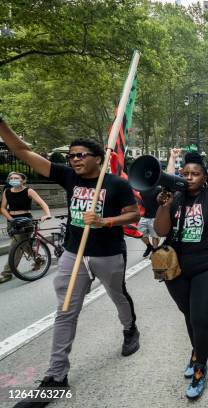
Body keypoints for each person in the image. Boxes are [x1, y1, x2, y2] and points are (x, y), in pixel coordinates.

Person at [0, 117, 141, 408]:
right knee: (65, 311)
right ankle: (55, 378)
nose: (74, 159)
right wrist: (1, 124)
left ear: (99, 159)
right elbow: (24, 153)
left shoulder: (116, 184)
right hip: (73, 255)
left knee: (119, 297)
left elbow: (134, 214)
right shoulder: (68, 177)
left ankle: (130, 329)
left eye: (81, 155)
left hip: (108, 255)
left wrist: (106, 220)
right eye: (71, 156)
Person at [154, 119, 208, 400]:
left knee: (202, 318)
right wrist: (163, 206)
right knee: (188, 315)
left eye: (195, 173)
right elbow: (161, 230)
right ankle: (197, 349)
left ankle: (200, 367)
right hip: (177, 268)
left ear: (204, 177)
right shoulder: (173, 198)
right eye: (185, 173)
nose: (188, 177)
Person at [0, 172, 52, 283]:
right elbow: (3, 208)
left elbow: (43, 203)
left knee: (16, 246)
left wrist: (47, 214)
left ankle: (7, 273)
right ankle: (40, 259)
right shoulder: (7, 191)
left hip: (25, 221)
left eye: (16, 178)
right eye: (11, 178)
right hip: (12, 221)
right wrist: (11, 219)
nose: (13, 179)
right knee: (24, 245)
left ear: (23, 180)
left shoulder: (29, 191)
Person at [138, 185, 161, 258]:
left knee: (155, 236)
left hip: (155, 217)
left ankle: (154, 251)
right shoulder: (142, 189)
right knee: (140, 234)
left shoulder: (158, 189)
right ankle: (149, 246)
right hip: (144, 216)